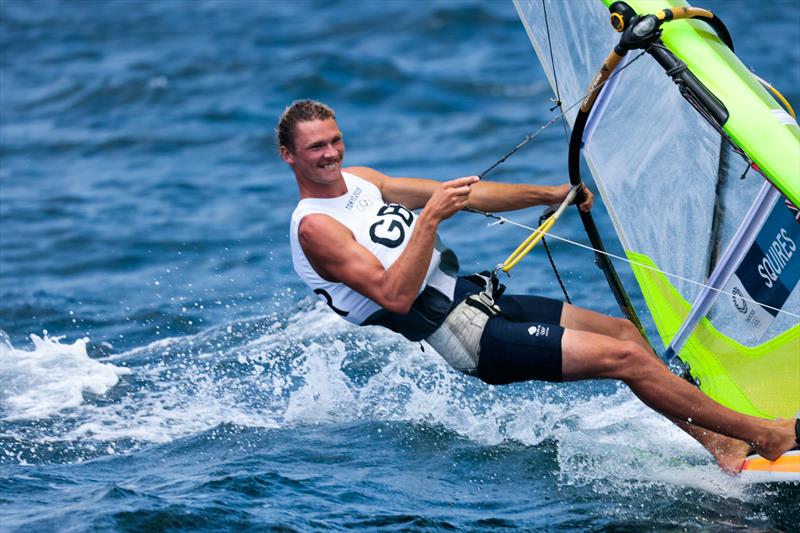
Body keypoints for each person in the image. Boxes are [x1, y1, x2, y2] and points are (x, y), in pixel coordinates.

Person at [279, 99, 797, 473]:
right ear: (290, 156)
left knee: (624, 335)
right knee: (629, 363)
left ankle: (721, 446)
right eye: (316, 147)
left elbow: (471, 196)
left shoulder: (364, 181)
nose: (331, 154)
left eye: (335, 140)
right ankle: (765, 435)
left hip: (479, 300)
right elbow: (393, 295)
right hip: (465, 337)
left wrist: (550, 194)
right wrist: (429, 221)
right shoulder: (315, 228)